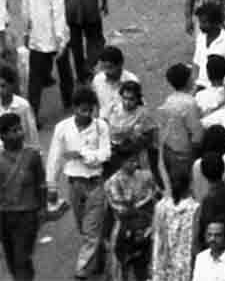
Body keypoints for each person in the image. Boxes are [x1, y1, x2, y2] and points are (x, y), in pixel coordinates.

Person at [46, 85, 110, 280]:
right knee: (84, 227)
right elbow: (55, 158)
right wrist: (52, 185)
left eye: (90, 110)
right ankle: (99, 258)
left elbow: (105, 155)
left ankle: (81, 271)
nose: (87, 114)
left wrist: (82, 155)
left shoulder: (101, 127)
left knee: (91, 229)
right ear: (74, 108)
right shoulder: (62, 128)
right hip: (74, 184)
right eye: (83, 110)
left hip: (96, 183)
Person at [21, 0, 67, 123]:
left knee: (35, 80)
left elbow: (25, 12)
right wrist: (61, 40)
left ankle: (33, 116)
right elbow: (58, 14)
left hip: (37, 38)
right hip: (54, 36)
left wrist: (26, 32)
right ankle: (68, 100)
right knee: (64, 71)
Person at [0, 112, 45, 281]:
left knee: (21, 258)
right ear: (3, 136)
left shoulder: (32, 156)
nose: (19, 133)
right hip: (4, 216)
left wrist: (42, 209)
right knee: (12, 260)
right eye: (13, 130)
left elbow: (41, 184)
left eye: (20, 129)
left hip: (27, 215)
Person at [104, 139, 157, 281]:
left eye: (136, 160)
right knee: (124, 269)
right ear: (120, 162)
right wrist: (143, 206)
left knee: (147, 267)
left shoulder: (145, 176)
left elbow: (155, 197)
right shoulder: (112, 183)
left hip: (147, 228)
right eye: (130, 161)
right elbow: (122, 211)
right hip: (125, 229)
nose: (135, 164)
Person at [159, 63, 205, 185]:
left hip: (171, 152)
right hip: (187, 154)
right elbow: (197, 136)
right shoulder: (190, 103)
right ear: (188, 80)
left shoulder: (169, 100)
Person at [151, 170, 199, 281]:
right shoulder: (195, 208)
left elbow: (157, 237)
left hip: (163, 264)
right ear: (190, 184)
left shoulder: (161, 207)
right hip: (185, 265)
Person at [107, 80, 158, 177]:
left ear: (137, 99)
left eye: (131, 99)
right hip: (115, 155)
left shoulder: (143, 114)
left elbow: (151, 137)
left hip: (134, 156)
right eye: (124, 98)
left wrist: (136, 137)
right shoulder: (114, 109)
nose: (127, 102)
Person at [193, 3, 225, 90]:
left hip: (217, 90)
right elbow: (196, 64)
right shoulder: (201, 37)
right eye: (200, 22)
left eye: (204, 22)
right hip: (200, 87)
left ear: (215, 23)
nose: (200, 26)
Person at [0, 66, 39, 150]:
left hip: (19, 152)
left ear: (12, 85)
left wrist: (36, 151)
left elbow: (31, 132)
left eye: (3, 86)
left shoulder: (23, 105)